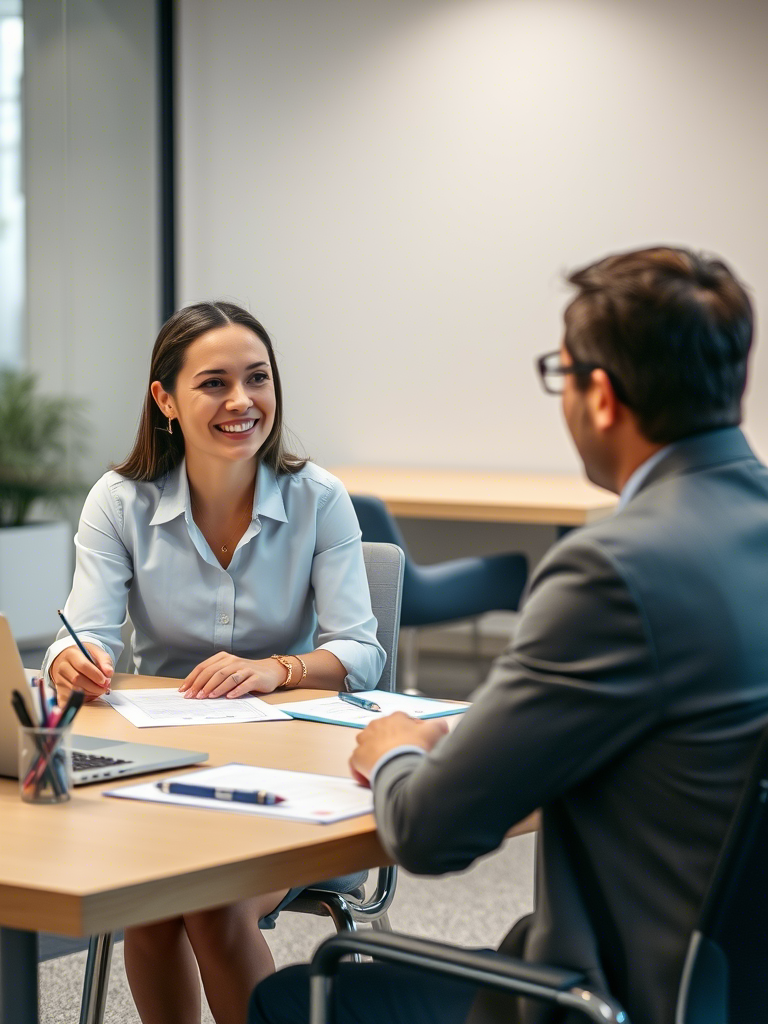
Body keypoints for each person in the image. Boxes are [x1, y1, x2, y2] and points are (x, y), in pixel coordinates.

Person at [250, 247, 768, 1024]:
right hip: (731, 986)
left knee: (294, 1000)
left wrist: (391, 747)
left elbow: (431, 832)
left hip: (619, 997)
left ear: (599, 397)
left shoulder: (612, 570)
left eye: (560, 375)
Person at [42, 301, 385, 1024]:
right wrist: (79, 659)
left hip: (296, 771)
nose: (242, 402)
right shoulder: (120, 501)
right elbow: (86, 630)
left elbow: (362, 652)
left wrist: (278, 669)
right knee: (154, 902)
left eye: (257, 379)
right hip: (161, 767)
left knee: (207, 900)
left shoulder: (318, 498)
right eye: (214, 383)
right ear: (165, 400)